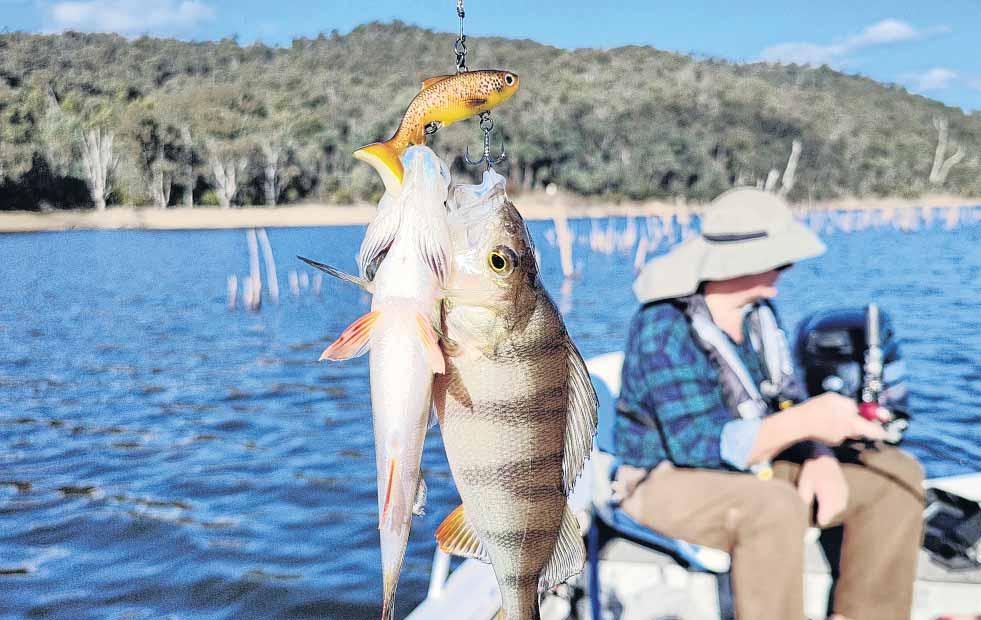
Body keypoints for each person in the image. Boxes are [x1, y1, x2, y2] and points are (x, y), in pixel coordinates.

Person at [613, 188, 924, 620]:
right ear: (738, 262)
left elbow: (786, 398)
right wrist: (808, 421)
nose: (787, 269)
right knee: (776, 506)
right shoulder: (663, 327)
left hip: (754, 466)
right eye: (779, 259)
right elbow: (696, 447)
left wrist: (818, 454)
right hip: (659, 480)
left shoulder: (758, 315)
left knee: (895, 474)